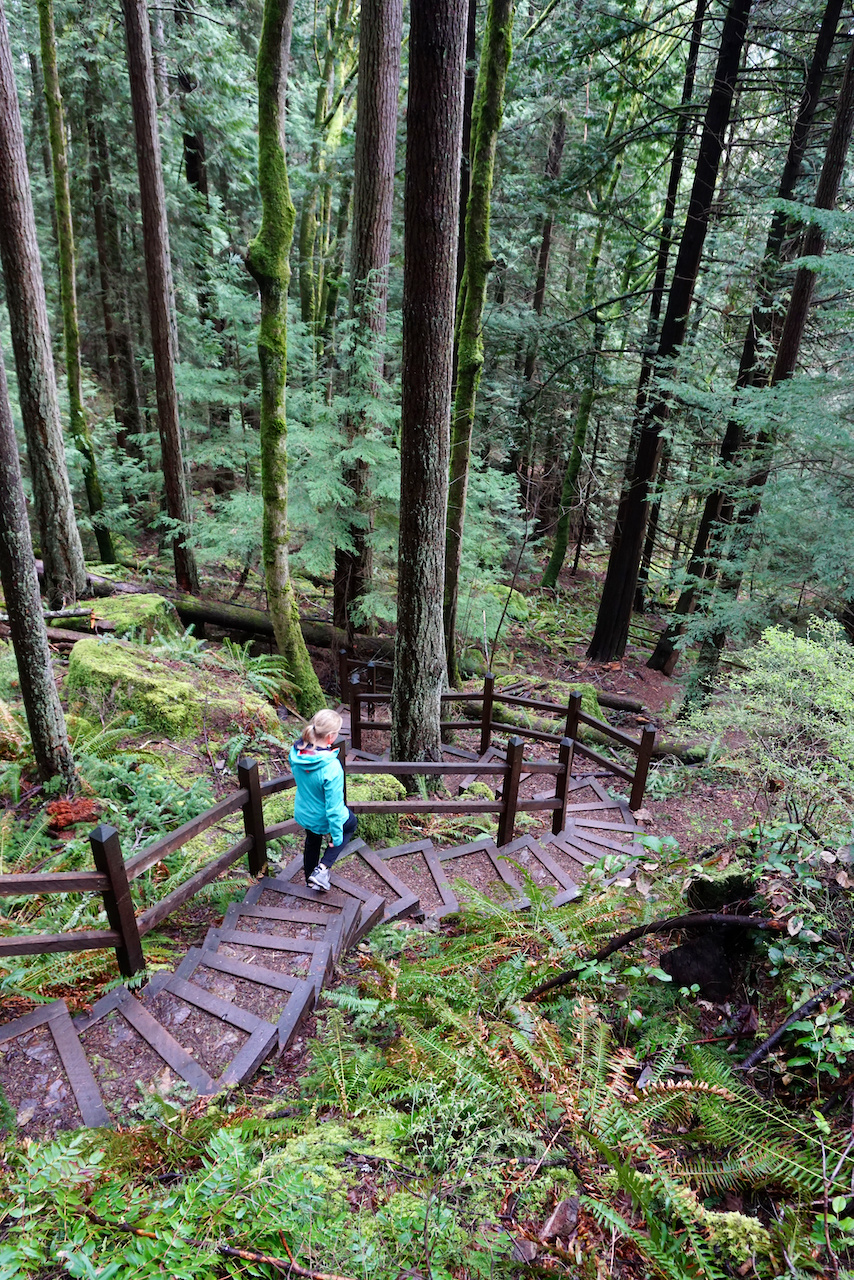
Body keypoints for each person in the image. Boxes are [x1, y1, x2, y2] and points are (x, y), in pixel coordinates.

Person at [288, 709, 357, 891]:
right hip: (322, 816)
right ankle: (322, 869)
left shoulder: (296, 753)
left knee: (312, 841)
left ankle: (309, 879)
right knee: (350, 824)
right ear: (331, 737)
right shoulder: (331, 767)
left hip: (305, 811)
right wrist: (336, 836)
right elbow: (334, 809)